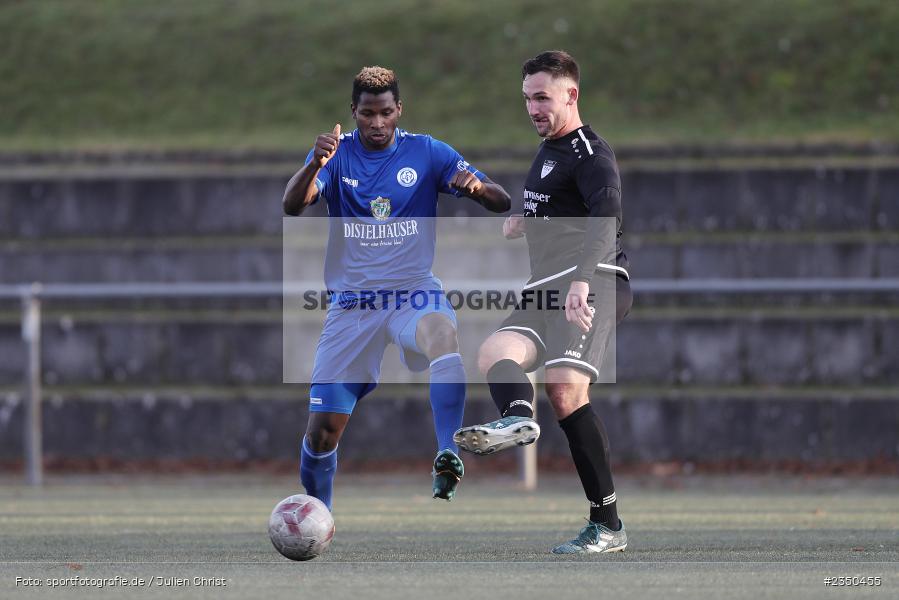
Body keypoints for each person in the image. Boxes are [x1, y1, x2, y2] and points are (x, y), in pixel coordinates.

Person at [283, 66, 511, 509]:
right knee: (322, 433)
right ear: (353, 112)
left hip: (412, 293)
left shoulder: (427, 151)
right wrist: (314, 163)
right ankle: (318, 515)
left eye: (385, 113)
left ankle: (447, 452)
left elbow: (501, 200)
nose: (377, 123)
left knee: (442, 334)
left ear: (399, 110)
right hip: (353, 306)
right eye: (367, 114)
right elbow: (292, 205)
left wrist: (478, 189)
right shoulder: (337, 156)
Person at [453, 50, 633, 553]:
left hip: (594, 282)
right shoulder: (549, 150)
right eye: (528, 99)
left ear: (571, 95)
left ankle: (608, 526)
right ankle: (516, 416)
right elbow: (560, 210)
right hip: (546, 288)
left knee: (565, 390)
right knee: (494, 353)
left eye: (542, 98)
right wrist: (523, 222)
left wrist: (581, 282)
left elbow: (605, 218)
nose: (533, 108)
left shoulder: (591, 154)